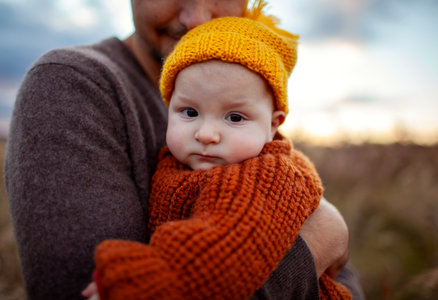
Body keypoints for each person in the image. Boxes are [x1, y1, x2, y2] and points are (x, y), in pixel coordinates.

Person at [4, 0, 363, 299]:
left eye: (234, 117)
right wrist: (319, 241)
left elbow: (342, 283)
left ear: (274, 124)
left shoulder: (256, 163)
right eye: (188, 112)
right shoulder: (72, 85)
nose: (196, 19)